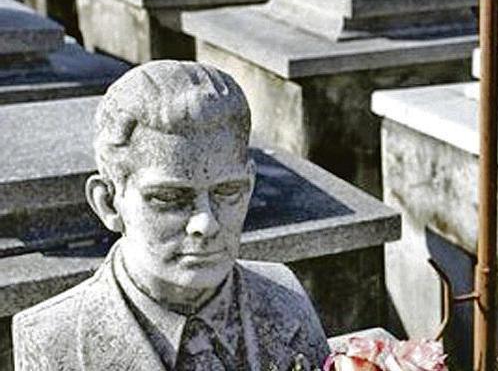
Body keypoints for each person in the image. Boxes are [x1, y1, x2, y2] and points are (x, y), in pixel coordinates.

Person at [13, 61, 330, 371]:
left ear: (249, 186)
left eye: (227, 191)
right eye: (168, 198)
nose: (205, 223)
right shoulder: (52, 339)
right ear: (109, 202)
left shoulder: (287, 301)